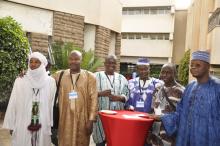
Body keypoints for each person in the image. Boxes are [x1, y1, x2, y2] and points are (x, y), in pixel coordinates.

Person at [151, 50, 220, 146]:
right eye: (191, 65)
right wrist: (163, 118)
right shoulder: (190, 87)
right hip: (187, 138)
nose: (193, 67)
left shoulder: (217, 88)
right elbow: (181, 113)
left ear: (208, 66)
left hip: (210, 139)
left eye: (198, 65)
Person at [3, 52, 57, 146]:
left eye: (37, 62)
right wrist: (11, 124)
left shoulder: (50, 82)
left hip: (42, 120)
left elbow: (51, 103)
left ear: (42, 64)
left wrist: (49, 123)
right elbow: (13, 102)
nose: (33, 64)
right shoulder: (20, 80)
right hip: (23, 119)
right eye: (31, 61)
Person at [52, 50, 98, 146]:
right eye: (71, 59)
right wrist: (25, 74)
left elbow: (94, 99)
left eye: (76, 59)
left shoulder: (90, 77)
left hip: (82, 119)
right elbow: (43, 80)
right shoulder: (59, 75)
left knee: (81, 142)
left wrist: (90, 120)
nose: (73, 61)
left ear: (81, 60)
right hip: (65, 119)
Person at [92, 54, 129, 146]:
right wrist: (101, 94)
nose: (111, 65)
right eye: (108, 62)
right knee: (100, 142)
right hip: (100, 117)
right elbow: (88, 93)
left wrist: (118, 98)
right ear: (104, 64)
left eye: (113, 63)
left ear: (116, 65)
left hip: (117, 117)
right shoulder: (95, 76)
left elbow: (127, 93)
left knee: (115, 141)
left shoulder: (122, 78)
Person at [150, 63, 184, 146]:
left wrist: (162, 117)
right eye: (162, 72)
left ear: (175, 74)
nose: (164, 75)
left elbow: (183, 116)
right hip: (156, 135)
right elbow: (152, 109)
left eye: (168, 72)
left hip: (170, 136)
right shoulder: (157, 89)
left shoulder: (181, 91)